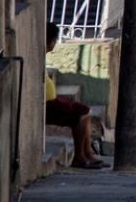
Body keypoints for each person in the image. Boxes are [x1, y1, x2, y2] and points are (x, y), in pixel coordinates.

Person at [45, 23, 107, 169]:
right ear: (51, 41)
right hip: (47, 103)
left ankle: (88, 153)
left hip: (51, 100)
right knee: (81, 112)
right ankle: (80, 156)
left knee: (85, 111)